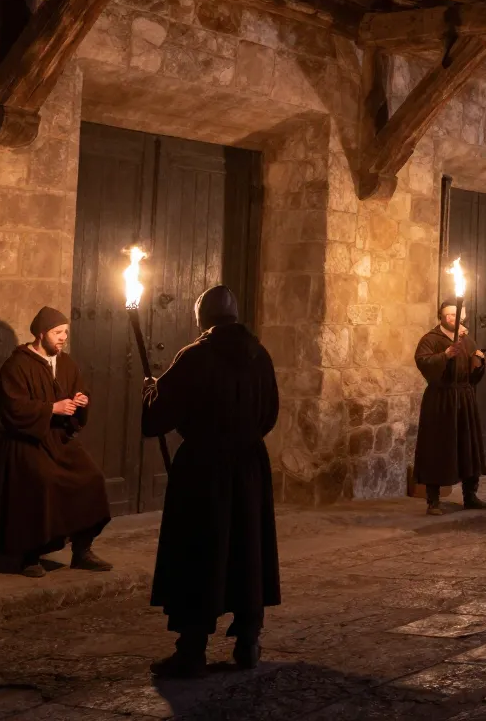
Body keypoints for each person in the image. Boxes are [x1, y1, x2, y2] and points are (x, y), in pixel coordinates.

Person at [143, 286, 280, 678]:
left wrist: (152, 391)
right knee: (245, 547)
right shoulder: (260, 355)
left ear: (202, 318)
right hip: (248, 465)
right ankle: (248, 640)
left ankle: (192, 650)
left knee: (199, 551)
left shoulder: (194, 356)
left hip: (204, 468)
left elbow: (158, 418)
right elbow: (270, 412)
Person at [0, 306, 111, 578]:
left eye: (65, 333)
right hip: (29, 441)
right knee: (41, 481)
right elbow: (12, 406)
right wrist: (51, 409)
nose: (63, 338)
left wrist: (81, 401)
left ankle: (82, 551)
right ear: (41, 333)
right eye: (58, 332)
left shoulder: (66, 363)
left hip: (59, 439)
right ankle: (30, 555)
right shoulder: (17, 365)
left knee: (91, 478)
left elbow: (78, 390)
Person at [413, 301, 486, 514]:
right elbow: (423, 362)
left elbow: (474, 373)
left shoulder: (467, 339)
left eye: (456, 314)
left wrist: (479, 362)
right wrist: (445, 355)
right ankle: (433, 500)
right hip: (441, 399)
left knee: (468, 444)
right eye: (448, 314)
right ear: (441, 316)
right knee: (437, 446)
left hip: (464, 398)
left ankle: (470, 496)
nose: (452, 318)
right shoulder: (430, 339)